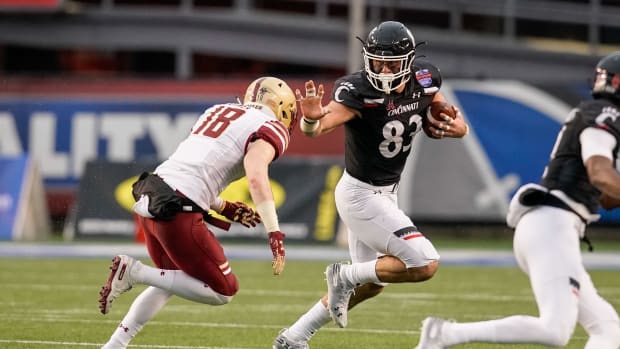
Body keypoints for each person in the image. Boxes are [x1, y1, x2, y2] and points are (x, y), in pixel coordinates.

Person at [272, 21, 469, 349]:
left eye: (388, 63)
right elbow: (318, 128)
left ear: (407, 61)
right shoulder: (357, 90)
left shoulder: (425, 77)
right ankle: (344, 275)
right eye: (375, 61)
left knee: (374, 283)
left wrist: (456, 126)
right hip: (360, 195)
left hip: (387, 194)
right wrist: (309, 119)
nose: (380, 68)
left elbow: (442, 109)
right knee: (424, 264)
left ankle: (294, 337)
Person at [415, 52, 620, 349]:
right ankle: (445, 335)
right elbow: (600, 174)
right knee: (555, 330)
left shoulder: (597, 114)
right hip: (553, 225)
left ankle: (444, 335)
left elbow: (607, 196)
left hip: (553, 224)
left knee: (608, 327)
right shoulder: (605, 114)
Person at [97, 76, 296, 349]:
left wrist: (223, 206)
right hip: (179, 208)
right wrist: (274, 231)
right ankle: (134, 272)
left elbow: (194, 164)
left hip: (155, 194)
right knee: (223, 290)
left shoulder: (217, 111)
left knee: (171, 280)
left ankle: (114, 345)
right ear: (282, 107)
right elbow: (256, 176)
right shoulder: (270, 126)